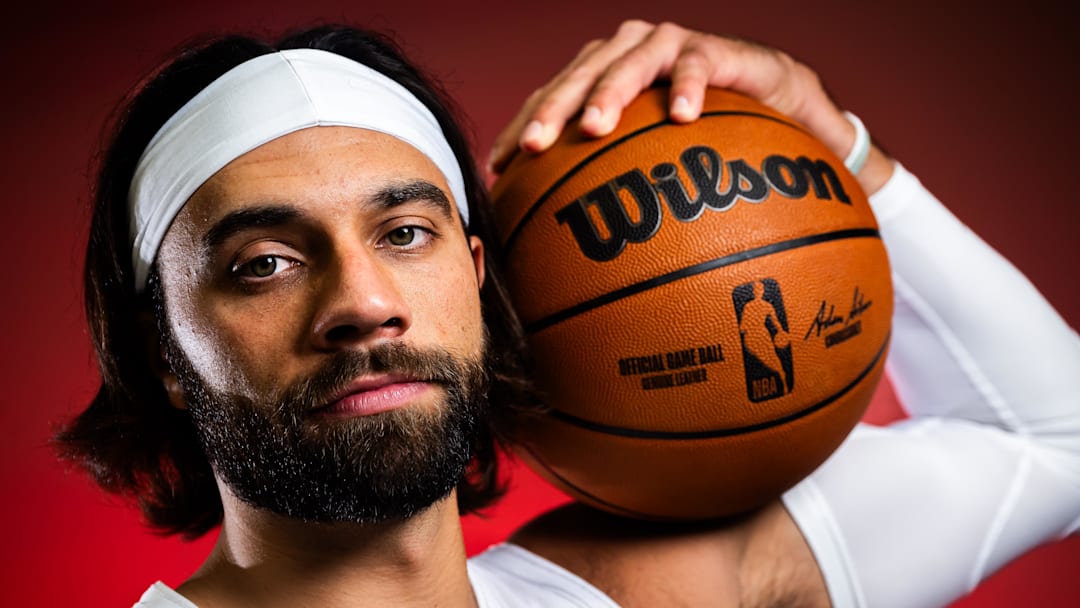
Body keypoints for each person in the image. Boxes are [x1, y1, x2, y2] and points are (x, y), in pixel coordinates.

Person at [53, 19, 1079, 608]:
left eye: (405, 232)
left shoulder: (663, 590)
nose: (363, 302)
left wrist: (840, 146)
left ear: (477, 273)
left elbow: (1056, 438)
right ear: (167, 352)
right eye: (264, 262)